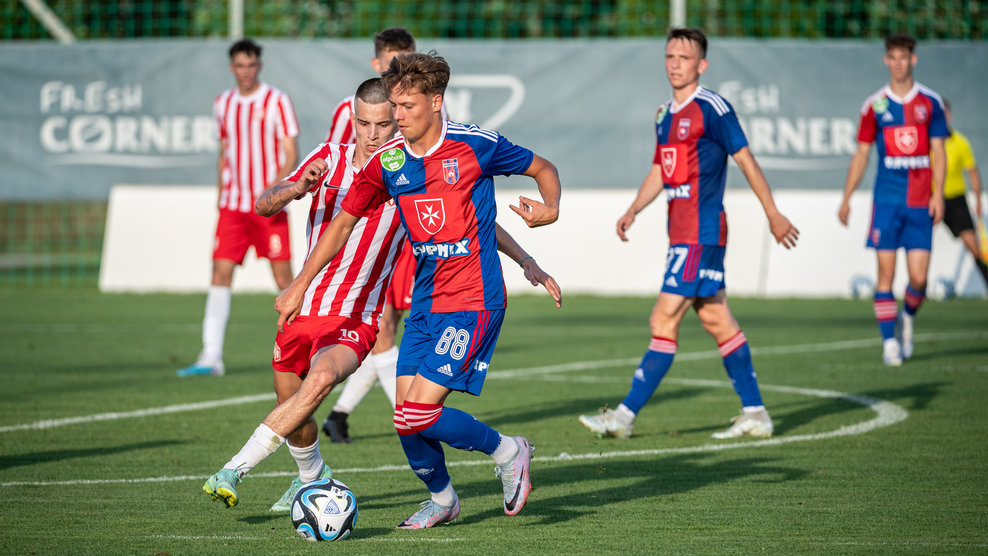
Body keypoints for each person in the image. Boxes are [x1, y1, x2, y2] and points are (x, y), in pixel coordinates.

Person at [275, 51, 562, 528]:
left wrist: (549, 209)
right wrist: (300, 284)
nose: (397, 116)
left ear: (436, 102)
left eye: (406, 106)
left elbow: (543, 168)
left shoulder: (476, 145)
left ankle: (510, 451)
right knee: (404, 420)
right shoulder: (390, 161)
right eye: (394, 106)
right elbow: (343, 223)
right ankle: (443, 501)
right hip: (427, 302)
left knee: (419, 411)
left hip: (474, 300)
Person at [578, 28, 799, 441]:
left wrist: (773, 213)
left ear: (702, 64)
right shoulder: (664, 114)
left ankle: (622, 417)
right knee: (717, 320)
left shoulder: (713, 107)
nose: (675, 64)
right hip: (682, 233)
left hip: (701, 232)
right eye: (670, 56)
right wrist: (634, 209)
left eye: (684, 57)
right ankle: (756, 413)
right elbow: (660, 170)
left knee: (663, 317)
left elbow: (746, 160)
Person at [321, 26, 446, 444]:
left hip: (410, 230)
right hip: (369, 233)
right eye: (393, 60)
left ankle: (341, 414)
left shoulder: (424, 107)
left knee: (387, 329)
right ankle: (408, 422)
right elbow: (342, 165)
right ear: (377, 63)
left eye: (406, 59)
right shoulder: (352, 109)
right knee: (382, 328)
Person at [177, 38, 299, 377]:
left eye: (251, 65)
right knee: (220, 273)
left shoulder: (277, 101)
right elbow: (224, 152)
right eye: (240, 66)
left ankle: (304, 346)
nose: (246, 71)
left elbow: (291, 154)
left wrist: (273, 191)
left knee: (284, 277)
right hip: (233, 206)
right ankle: (211, 356)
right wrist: (220, 197)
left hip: (269, 207)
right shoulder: (223, 103)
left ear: (259, 65)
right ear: (232, 67)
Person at [838, 33, 948, 366]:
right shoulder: (875, 105)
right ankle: (889, 343)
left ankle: (907, 317)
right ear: (886, 60)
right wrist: (846, 198)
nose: (898, 63)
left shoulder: (930, 103)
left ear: (913, 59)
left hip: (919, 202)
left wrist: (939, 194)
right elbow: (861, 154)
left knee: (919, 279)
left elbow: (939, 152)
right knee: (885, 274)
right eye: (893, 57)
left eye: (904, 57)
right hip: (886, 202)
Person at [939, 100, 988, 287]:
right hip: (930, 199)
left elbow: (972, 172)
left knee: (975, 247)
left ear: (950, 116)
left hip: (955, 201)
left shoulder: (960, 142)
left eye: (944, 113)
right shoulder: (927, 141)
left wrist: (978, 199)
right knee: (919, 243)